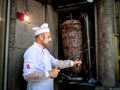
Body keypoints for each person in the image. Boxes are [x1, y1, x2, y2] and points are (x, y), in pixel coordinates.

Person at [22, 23, 82, 90]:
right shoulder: (31, 52)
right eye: (48, 37)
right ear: (41, 37)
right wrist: (49, 74)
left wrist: (72, 63)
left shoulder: (45, 52)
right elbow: (28, 75)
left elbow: (57, 63)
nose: (50, 39)